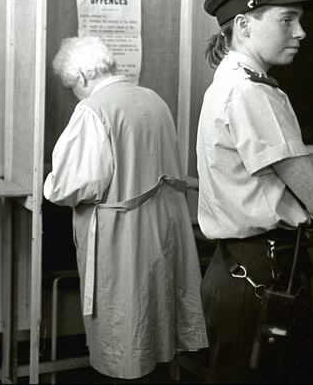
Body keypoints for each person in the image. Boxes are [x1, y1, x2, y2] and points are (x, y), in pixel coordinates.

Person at [196, 0, 313, 383]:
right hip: (263, 272)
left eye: (300, 20)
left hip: (242, 268)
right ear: (243, 25)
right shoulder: (251, 93)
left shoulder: (230, 84)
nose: (300, 32)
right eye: (286, 20)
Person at [43, 36, 208, 382]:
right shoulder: (153, 99)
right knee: (157, 315)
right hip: (163, 226)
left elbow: (66, 187)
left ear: (82, 77)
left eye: (72, 85)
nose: (75, 92)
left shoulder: (93, 109)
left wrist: (50, 184)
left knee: (125, 325)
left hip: (122, 234)